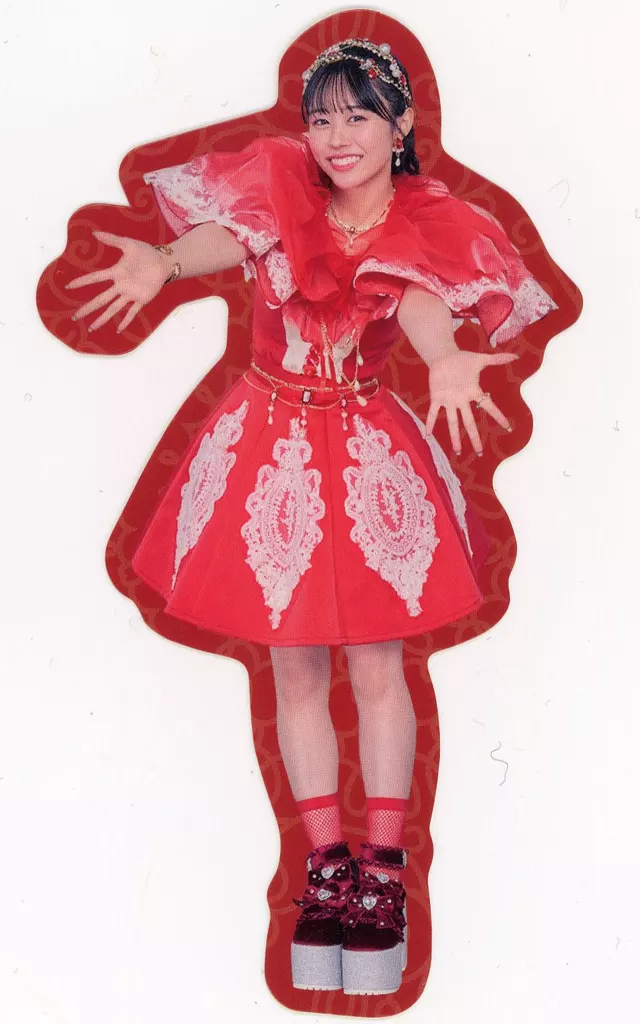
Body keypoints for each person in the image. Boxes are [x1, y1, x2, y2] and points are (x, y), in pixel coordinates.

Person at [64, 37, 558, 997]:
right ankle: (325, 870)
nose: (336, 137)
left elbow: (421, 302)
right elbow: (231, 237)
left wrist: (446, 358)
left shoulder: (419, 218)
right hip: (271, 445)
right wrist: (163, 261)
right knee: (292, 663)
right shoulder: (281, 189)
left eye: (358, 115)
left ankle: (384, 879)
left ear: (400, 125)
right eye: (321, 117)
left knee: (374, 663)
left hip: (364, 446)